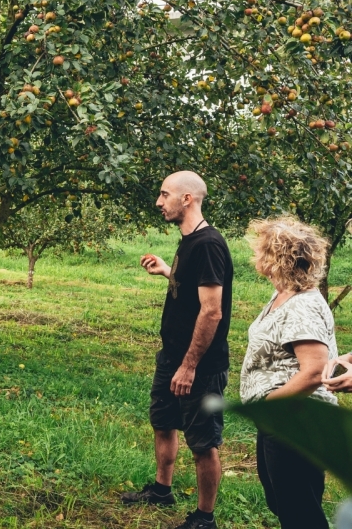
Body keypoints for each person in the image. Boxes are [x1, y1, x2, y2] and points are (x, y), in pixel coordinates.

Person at [122, 171, 233, 529]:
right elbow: (194, 290)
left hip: (199, 364)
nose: (159, 202)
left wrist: (189, 366)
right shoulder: (189, 241)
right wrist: (169, 272)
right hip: (172, 357)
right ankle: (161, 490)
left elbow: (212, 309)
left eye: (164, 194)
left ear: (187, 199)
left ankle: (205, 517)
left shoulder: (208, 244)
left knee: (202, 441)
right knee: (163, 423)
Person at [241, 217, 337, 529]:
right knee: (284, 502)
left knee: (299, 512)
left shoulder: (301, 306)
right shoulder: (285, 294)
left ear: (276, 258)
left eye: (261, 250)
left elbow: (312, 372)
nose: (256, 255)